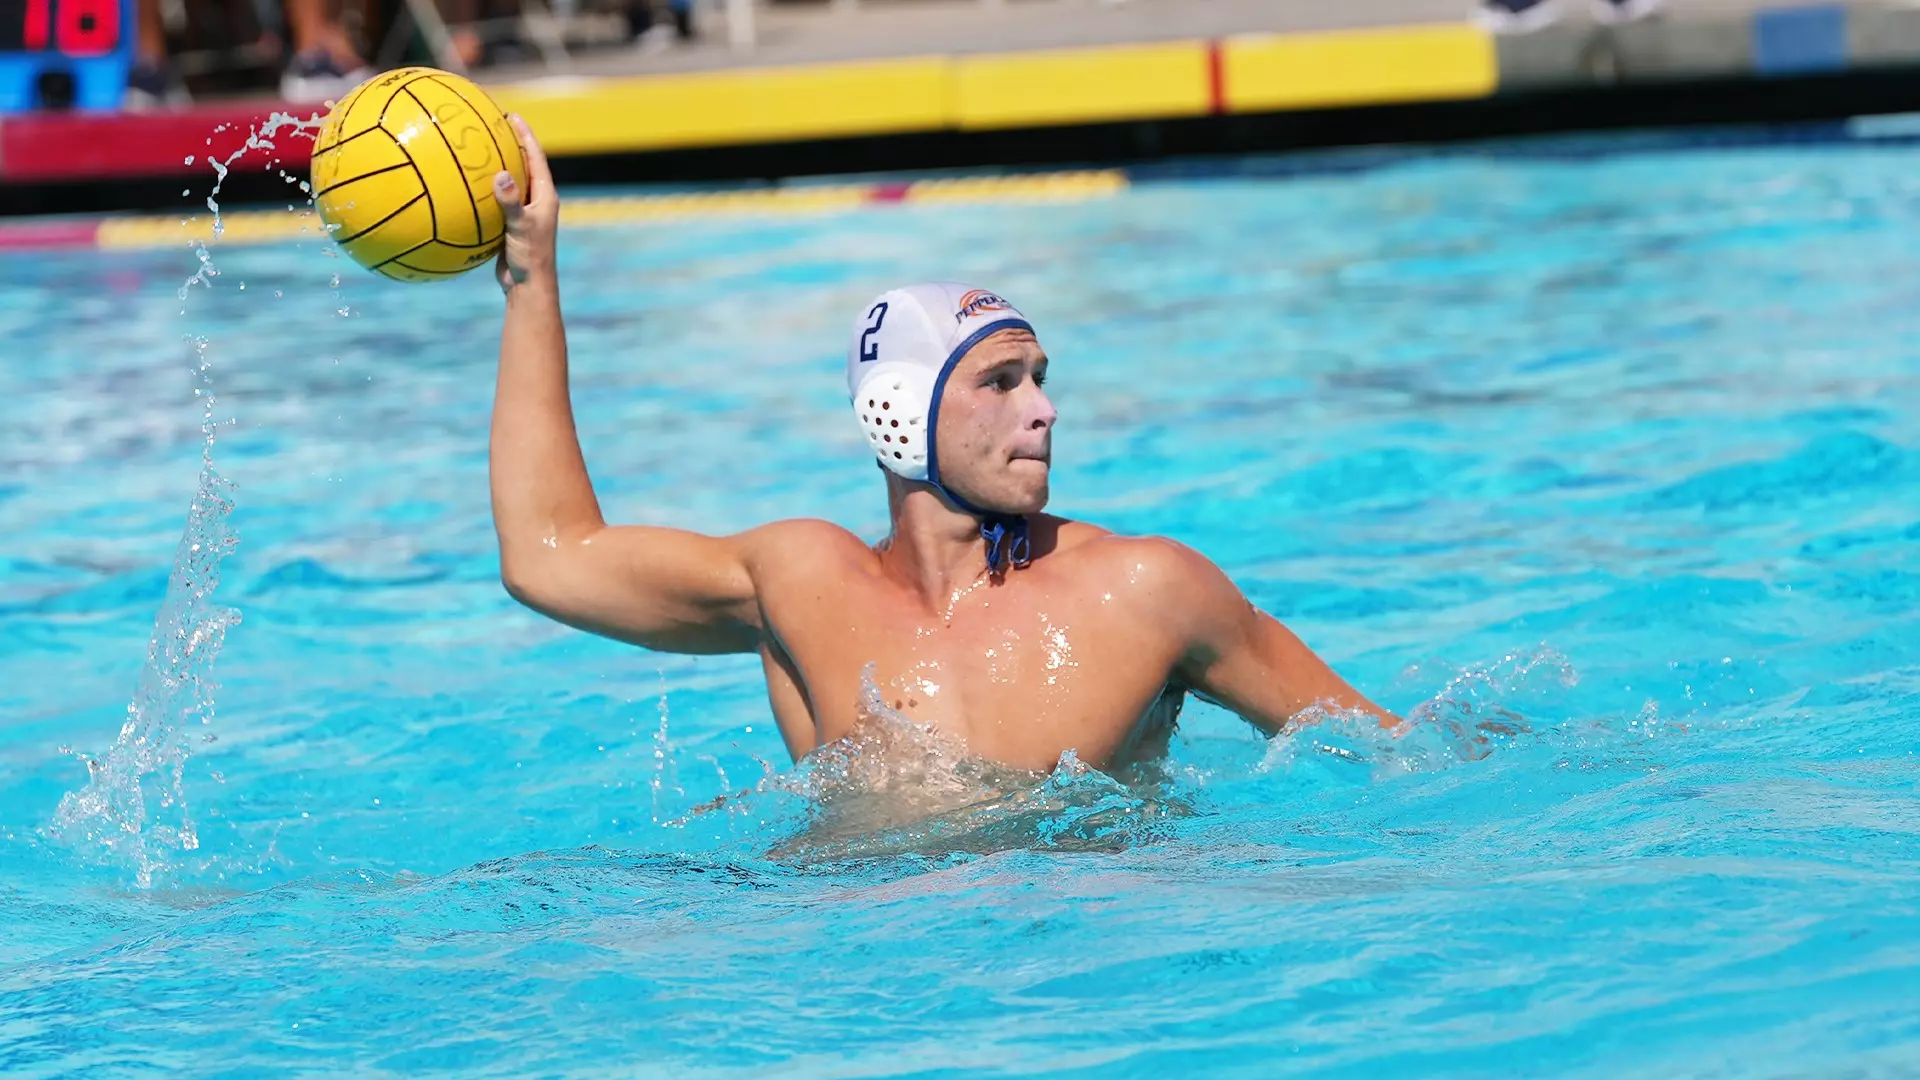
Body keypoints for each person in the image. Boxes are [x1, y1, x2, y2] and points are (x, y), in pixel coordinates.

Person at [485, 116, 1402, 775]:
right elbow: (547, 558)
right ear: (897, 411)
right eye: (999, 383)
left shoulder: (1147, 589)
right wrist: (533, 277)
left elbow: (1398, 752)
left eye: (1041, 379)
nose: (1042, 412)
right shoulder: (800, 584)